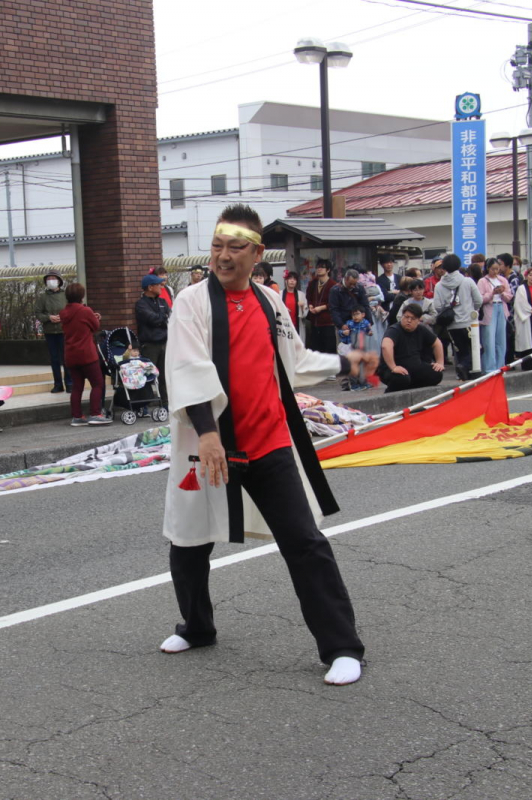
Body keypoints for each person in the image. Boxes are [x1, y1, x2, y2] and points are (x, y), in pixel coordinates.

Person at [160, 204, 376, 686]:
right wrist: (209, 433)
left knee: (305, 542)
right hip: (208, 443)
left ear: (257, 253)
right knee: (187, 541)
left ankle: (342, 646)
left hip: (269, 442)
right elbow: (187, 368)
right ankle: (197, 627)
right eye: (217, 245)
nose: (223, 256)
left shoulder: (270, 302)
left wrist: (347, 363)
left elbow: (293, 362)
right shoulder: (191, 303)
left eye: (235, 247)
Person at [60, 282, 109, 426]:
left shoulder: (64, 312)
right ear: (81, 296)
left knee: (77, 386)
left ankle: (77, 417)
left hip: (70, 354)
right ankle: (95, 414)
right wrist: (96, 317)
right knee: (97, 383)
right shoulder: (85, 311)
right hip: (87, 354)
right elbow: (95, 326)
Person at [432, 254, 482, 380]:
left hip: (451, 324)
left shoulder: (439, 285)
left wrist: (448, 309)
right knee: (478, 348)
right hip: (468, 322)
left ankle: (462, 372)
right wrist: (471, 308)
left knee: (461, 350)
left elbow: (437, 306)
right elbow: (478, 300)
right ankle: (465, 367)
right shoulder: (468, 281)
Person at [376, 302, 444, 394]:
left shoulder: (421, 329)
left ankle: (411, 388)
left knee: (436, 374)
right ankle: (389, 393)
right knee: (402, 379)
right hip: (391, 369)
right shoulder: (394, 330)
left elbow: (437, 343)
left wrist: (440, 362)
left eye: (412, 318)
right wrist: (393, 367)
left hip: (414, 367)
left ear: (419, 320)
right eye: (406, 317)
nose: (409, 320)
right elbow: (385, 346)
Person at [135, 273, 170, 405]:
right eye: (158, 284)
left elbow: (170, 316)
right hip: (149, 345)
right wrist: (163, 318)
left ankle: (165, 404)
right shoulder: (141, 304)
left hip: (165, 343)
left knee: (165, 376)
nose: (162, 286)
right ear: (150, 287)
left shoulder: (162, 302)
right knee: (148, 376)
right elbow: (153, 319)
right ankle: (144, 405)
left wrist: (162, 318)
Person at [33, 271, 71, 393]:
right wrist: (49, 317)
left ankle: (70, 383)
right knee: (54, 359)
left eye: (53, 278)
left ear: (59, 280)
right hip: (50, 331)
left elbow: (72, 309)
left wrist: (63, 318)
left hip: (63, 331)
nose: (51, 280)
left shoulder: (66, 295)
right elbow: (38, 313)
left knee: (66, 358)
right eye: (48, 278)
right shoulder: (43, 297)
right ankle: (58, 384)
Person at [477, 257, 513, 373]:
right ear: (487, 268)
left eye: (497, 269)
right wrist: (492, 293)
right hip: (489, 309)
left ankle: (500, 366)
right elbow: (480, 299)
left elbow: (509, 297)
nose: (495, 271)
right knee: (489, 339)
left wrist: (502, 293)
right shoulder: (482, 281)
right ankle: (489, 368)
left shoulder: (503, 280)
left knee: (501, 339)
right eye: (493, 269)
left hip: (501, 308)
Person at [305, 259, 337, 353]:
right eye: (318, 267)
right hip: (314, 321)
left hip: (328, 322)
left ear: (328, 270)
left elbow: (334, 303)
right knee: (315, 349)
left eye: (322, 267)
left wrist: (322, 308)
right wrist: (310, 305)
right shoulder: (313, 283)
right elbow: (308, 296)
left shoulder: (333, 285)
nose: (319, 269)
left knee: (329, 349)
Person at [338, 307, 372, 391]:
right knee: (353, 366)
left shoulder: (365, 323)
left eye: (357, 314)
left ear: (363, 315)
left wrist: (370, 332)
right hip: (351, 348)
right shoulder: (349, 324)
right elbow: (340, 332)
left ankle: (363, 383)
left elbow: (369, 330)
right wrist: (344, 333)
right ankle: (354, 385)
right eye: (353, 315)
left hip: (362, 348)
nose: (355, 317)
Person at [281, 270, 308, 342]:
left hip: (297, 325)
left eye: (294, 279)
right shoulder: (280, 294)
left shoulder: (301, 295)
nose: (292, 281)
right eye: (290, 279)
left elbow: (305, 313)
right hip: (283, 327)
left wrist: (302, 307)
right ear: (286, 280)